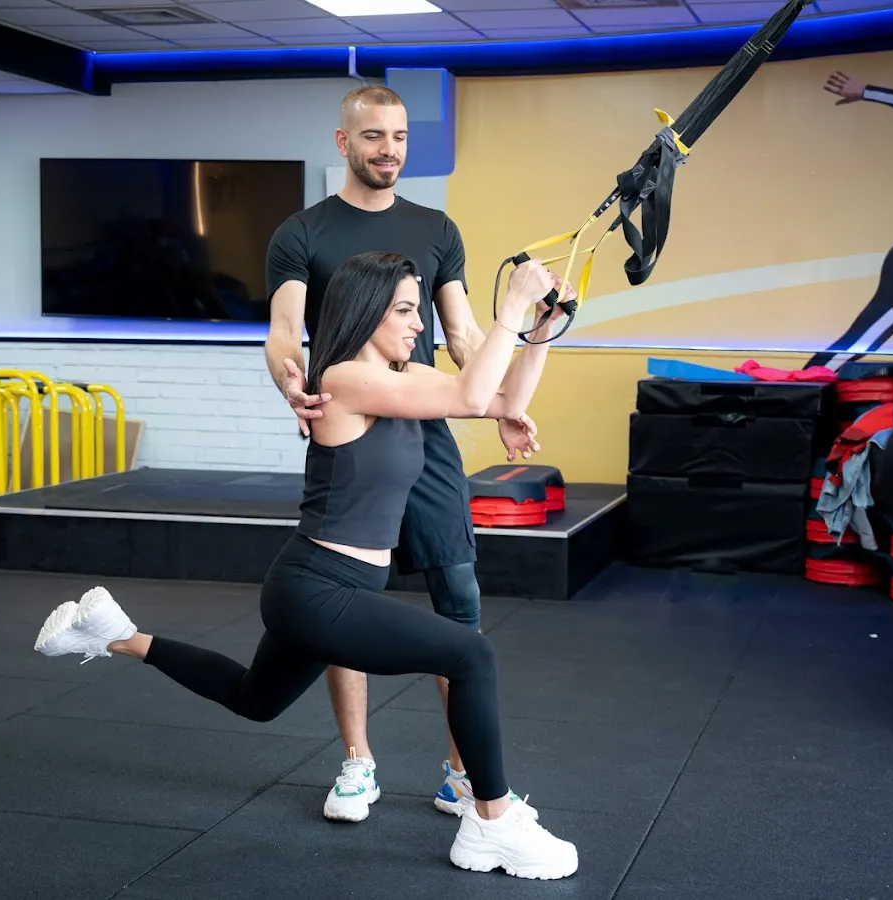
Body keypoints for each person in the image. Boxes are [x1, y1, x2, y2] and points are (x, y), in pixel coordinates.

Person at [33, 249, 580, 880]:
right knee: (470, 655)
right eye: (405, 310)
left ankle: (118, 637)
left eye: (417, 310)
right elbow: (472, 390)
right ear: (366, 310)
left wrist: (541, 327)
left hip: (323, 589)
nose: (417, 323)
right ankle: (491, 822)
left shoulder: (402, 377)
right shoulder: (346, 378)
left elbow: (501, 397)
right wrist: (511, 304)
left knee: (254, 699)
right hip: (318, 589)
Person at [263, 82, 543, 825]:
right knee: (345, 598)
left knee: (461, 601)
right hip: (355, 430)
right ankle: (358, 760)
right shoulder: (302, 232)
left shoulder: (436, 228)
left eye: (400, 137)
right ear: (343, 142)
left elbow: (463, 336)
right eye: (373, 136)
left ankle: (462, 774)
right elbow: (285, 329)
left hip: (424, 431)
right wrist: (290, 380)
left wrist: (500, 399)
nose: (389, 150)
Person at [804, 70, 893, 371]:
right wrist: (867, 91)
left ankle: (805, 383)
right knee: (857, 343)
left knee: (861, 343)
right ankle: (800, 386)